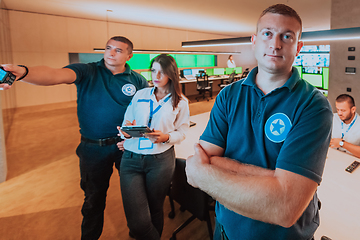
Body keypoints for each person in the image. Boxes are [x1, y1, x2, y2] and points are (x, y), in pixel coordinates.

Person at [185, 4, 332, 240]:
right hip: (225, 230)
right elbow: (203, 160)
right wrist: (274, 179)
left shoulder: (313, 105)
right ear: (254, 40)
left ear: (299, 47)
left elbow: (284, 207)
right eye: (267, 33)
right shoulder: (228, 96)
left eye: (287, 36)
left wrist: (208, 173)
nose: (275, 44)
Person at [0, 36, 149, 240]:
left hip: (126, 146)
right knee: (93, 200)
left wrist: (133, 139)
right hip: (93, 149)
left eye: (118, 50)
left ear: (129, 55)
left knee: (135, 197)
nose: (111, 53)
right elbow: (55, 74)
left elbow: (145, 113)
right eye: (108, 48)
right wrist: (25, 72)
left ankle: (138, 234)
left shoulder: (137, 80)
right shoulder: (88, 71)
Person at [116, 54, 189, 240]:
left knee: (155, 208)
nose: (156, 76)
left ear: (171, 74)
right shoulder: (140, 94)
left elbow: (182, 132)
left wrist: (166, 137)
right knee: (137, 221)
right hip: (131, 159)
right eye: (153, 70)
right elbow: (126, 121)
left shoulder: (180, 101)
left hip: (160, 160)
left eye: (162, 72)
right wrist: (125, 132)